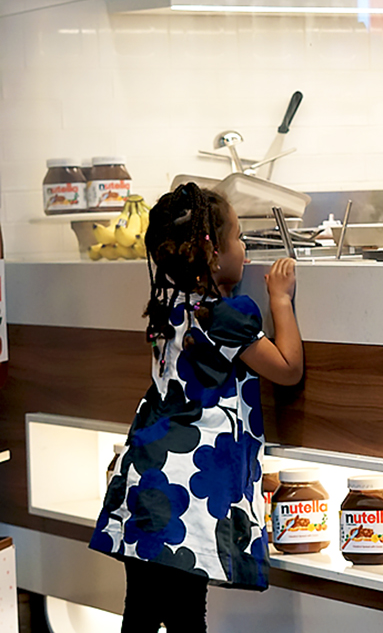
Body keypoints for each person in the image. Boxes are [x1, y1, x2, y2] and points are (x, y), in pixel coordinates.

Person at [89, 182, 303, 632]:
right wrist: (280, 300)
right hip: (185, 495)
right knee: (187, 616)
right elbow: (287, 369)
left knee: (141, 609)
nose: (245, 248)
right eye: (239, 238)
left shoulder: (168, 309)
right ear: (212, 254)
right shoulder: (226, 317)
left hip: (145, 474)